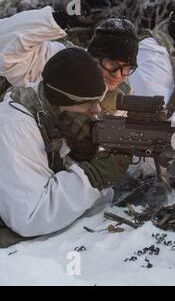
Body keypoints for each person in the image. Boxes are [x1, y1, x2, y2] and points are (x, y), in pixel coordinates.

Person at [0, 48, 132, 249]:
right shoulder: (14, 127)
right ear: (60, 103)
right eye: (88, 104)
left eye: (98, 101)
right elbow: (30, 217)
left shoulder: (59, 115)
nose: (97, 111)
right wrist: (94, 175)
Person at [0, 2, 139, 115]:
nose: (118, 74)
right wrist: (61, 19)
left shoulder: (123, 93)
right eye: (112, 63)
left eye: (127, 67)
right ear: (92, 57)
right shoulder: (60, 64)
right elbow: (5, 49)